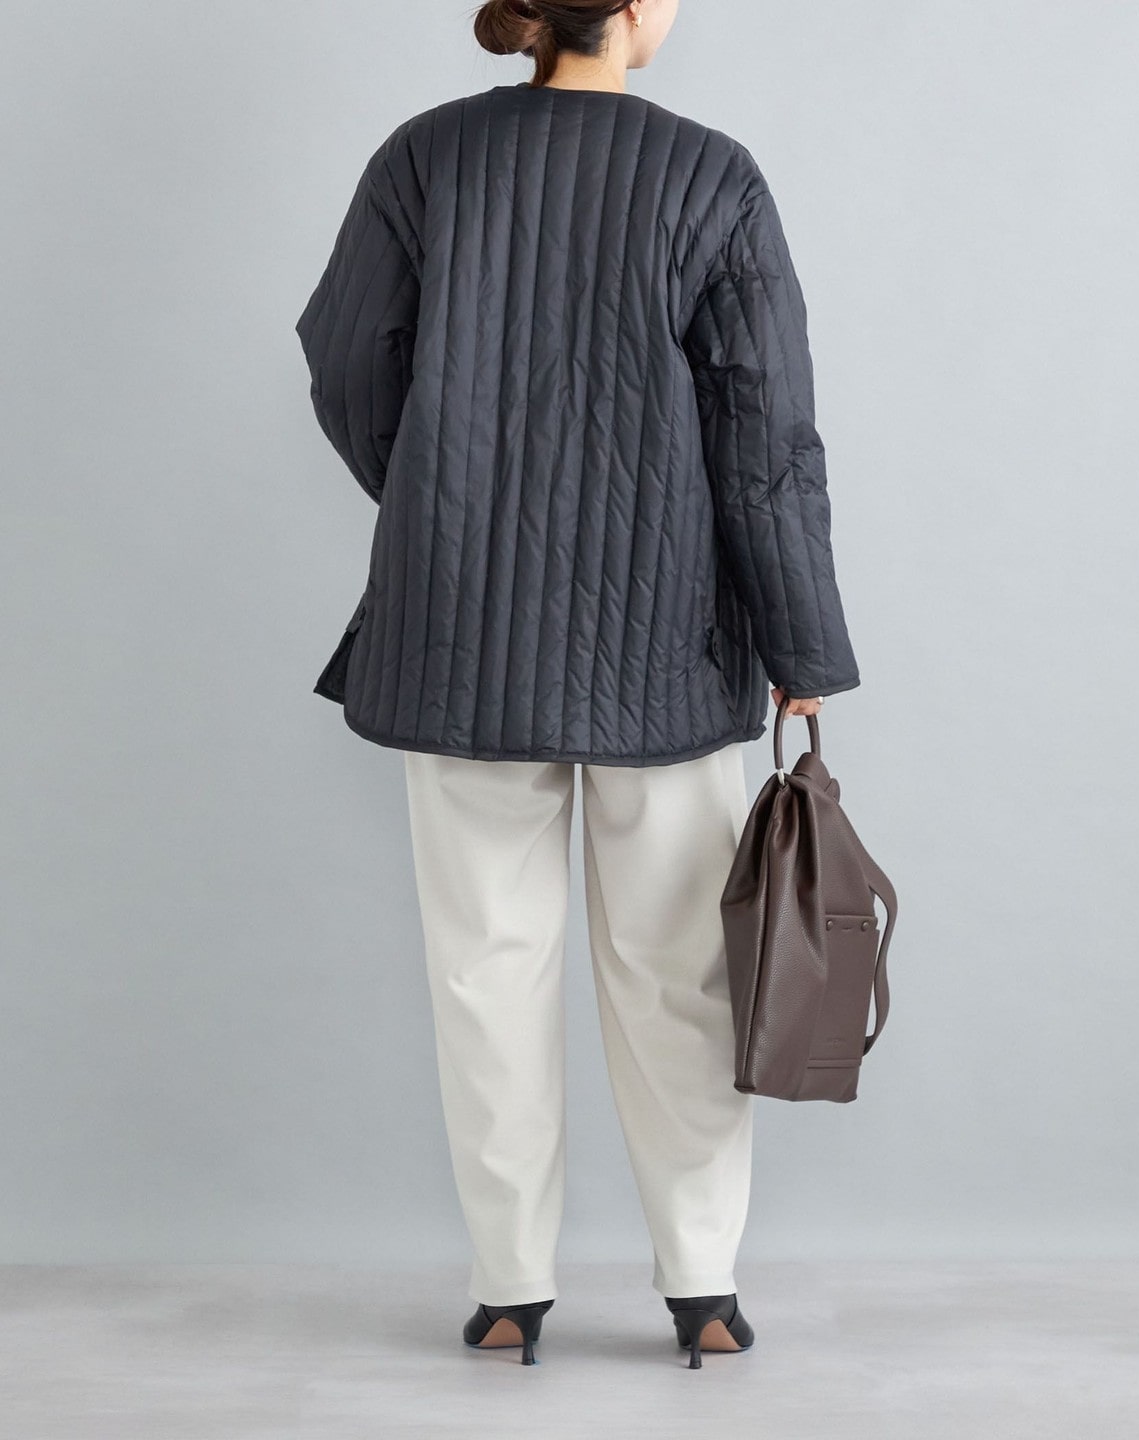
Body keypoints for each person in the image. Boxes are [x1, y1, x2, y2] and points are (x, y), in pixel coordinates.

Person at [294, 0, 861, 1369]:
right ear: (636, 5)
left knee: (485, 969)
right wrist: (803, 647)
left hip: (459, 631)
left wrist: (436, 498)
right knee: (678, 972)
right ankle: (703, 1291)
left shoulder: (426, 157)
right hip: (667, 636)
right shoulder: (709, 173)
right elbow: (764, 430)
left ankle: (508, 1294)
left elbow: (347, 360)